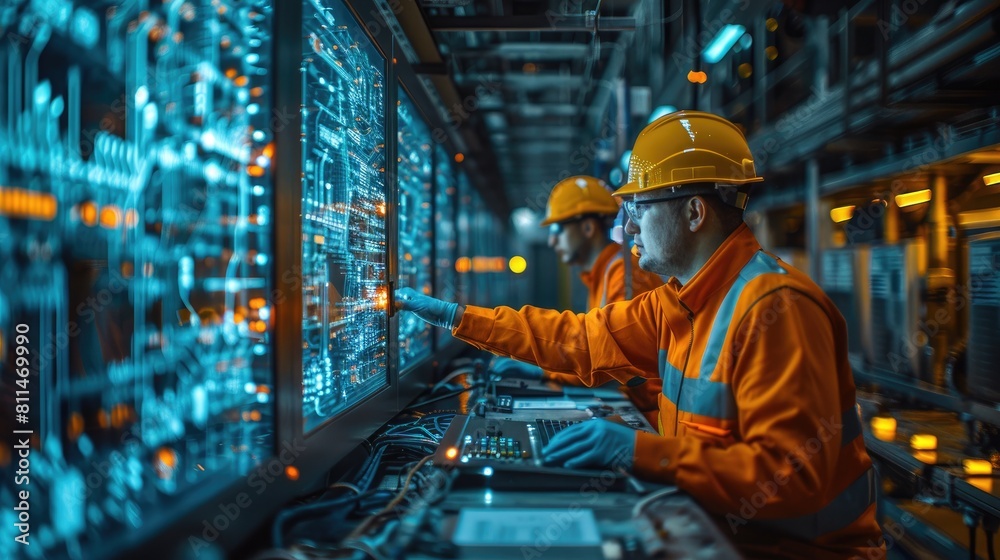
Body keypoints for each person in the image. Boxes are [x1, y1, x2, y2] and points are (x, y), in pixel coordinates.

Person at [396, 110, 884, 558]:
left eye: (640, 208)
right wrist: (457, 317)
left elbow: (791, 478)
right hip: (717, 532)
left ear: (694, 213)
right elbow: (581, 339)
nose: (626, 227)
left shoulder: (775, 310)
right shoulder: (679, 301)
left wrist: (638, 451)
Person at [491, 175, 664, 423]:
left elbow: (610, 367)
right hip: (630, 404)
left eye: (557, 229)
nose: (552, 241)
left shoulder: (623, 274)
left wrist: (545, 372)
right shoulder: (602, 274)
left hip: (649, 415)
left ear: (587, 228)